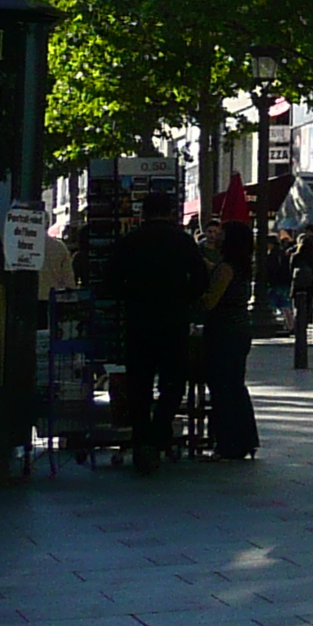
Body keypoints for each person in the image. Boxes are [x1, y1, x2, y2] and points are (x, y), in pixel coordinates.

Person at [111, 189, 205, 475]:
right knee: (174, 382)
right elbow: (200, 279)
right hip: (173, 321)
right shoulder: (183, 241)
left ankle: (142, 439)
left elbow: (111, 280)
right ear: (170, 212)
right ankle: (159, 430)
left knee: (138, 384)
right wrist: (182, 297)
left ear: (144, 212)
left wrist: (132, 296)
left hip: (139, 321)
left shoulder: (130, 241)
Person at [200, 222, 259, 460]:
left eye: (223, 233)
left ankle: (228, 443)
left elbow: (210, 301)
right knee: (235, 386)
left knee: (222, 388)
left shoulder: (226, 268)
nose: (218, 237)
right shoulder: (240, 267)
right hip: (240, 330)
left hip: (223, 332)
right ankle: (245, 439)